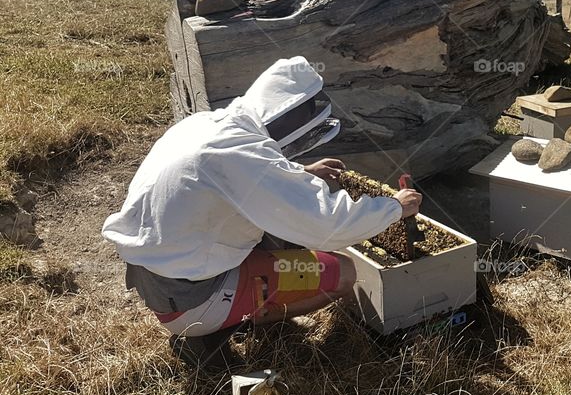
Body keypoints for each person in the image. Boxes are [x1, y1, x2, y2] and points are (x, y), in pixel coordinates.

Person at [102, 56, 421, 364]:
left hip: (160, 276)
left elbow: (239, 184)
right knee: (342, 273)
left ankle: (219, 318)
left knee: (280, 233)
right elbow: (330, 227)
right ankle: (211, 335)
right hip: (191, 298)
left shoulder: (205, 125)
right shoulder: (241, 151)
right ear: (283, 115)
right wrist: (394, 208)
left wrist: (304, 172)